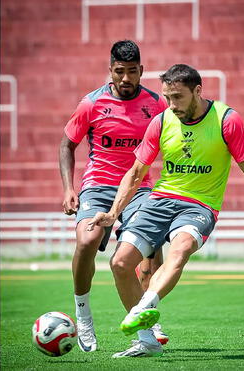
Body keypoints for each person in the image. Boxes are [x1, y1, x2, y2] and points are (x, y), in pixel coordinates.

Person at [88, 64, 244, 358]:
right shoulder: (162, 120)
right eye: (167, 97)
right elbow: (137, 170)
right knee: (120, 263)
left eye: (178, 97)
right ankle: (147, 341)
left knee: (180, 250)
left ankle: (144, 307)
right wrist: (115, 212)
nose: (171, 105)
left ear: (197, 91)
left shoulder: (227, 120)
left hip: (200, 204)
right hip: (160, 200)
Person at [59, 40, 169, 353]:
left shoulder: (156, 104)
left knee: (148, 247)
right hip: (98, 185)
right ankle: (83, 313)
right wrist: (69, 189)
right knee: (87, 240)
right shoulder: (91, 103)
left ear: (141, 71)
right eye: (119, 71)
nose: (125, 78)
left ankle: (146, 317)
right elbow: (66, 145)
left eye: (132, 72)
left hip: (139, 188)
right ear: (110, 70)